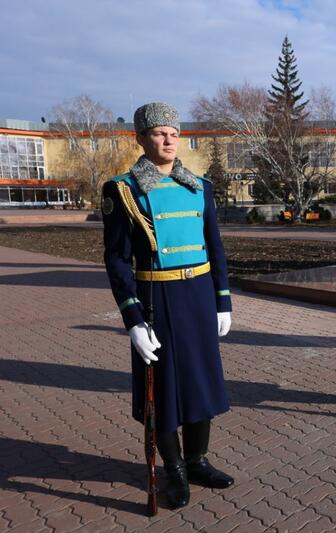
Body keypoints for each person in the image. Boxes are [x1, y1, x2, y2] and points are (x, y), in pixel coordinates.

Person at [101, 102, 234, 509]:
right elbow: (117, 260)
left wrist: (222, 299)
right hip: (157, 299)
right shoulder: (124, 190)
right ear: (140, 138)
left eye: (173, 132)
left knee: (200, 382)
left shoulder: (200, 187)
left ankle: (197, 460)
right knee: (164, 391)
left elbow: (215, 246)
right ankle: (173, 469)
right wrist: (133, 320)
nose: (169, 139)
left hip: (197, 299)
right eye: (159, 133)